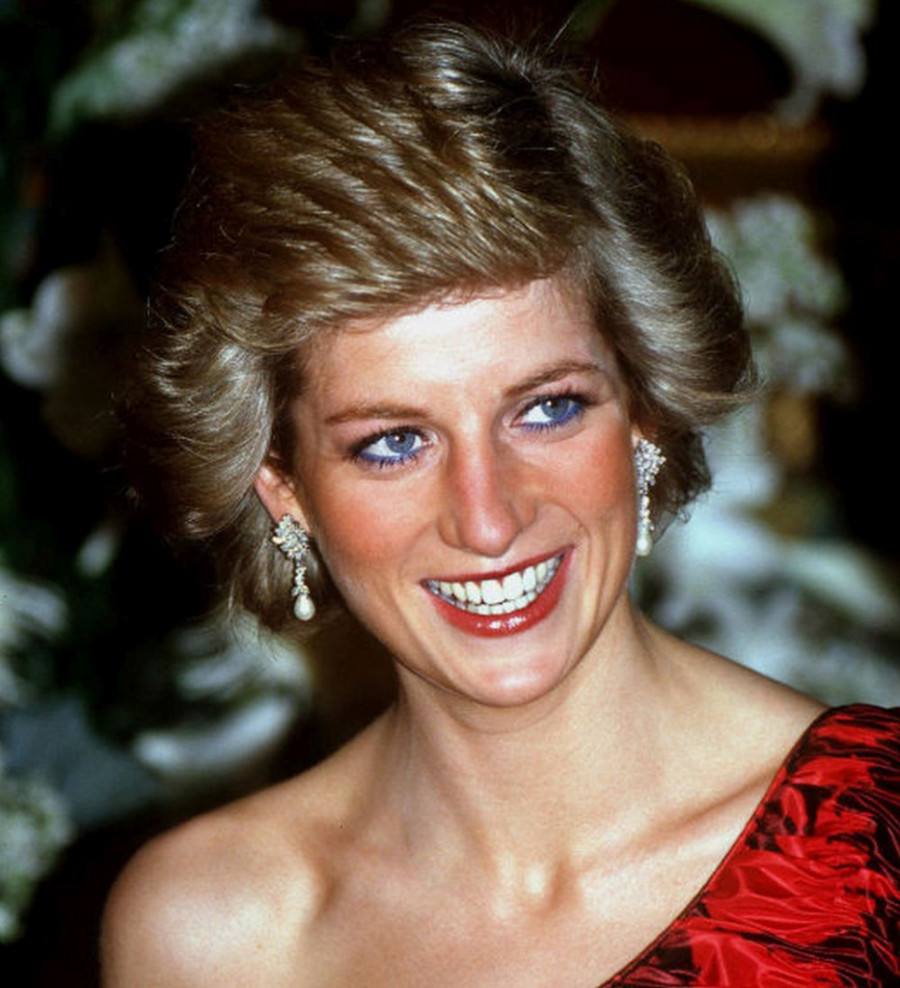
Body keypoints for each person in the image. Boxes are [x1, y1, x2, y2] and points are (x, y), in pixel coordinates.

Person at [103, 20, 900, 986]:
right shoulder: (212, 934)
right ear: (284, 487)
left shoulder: (880, 847)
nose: (487, 520)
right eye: (393, 442)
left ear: (644, 413)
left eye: (547, 409)